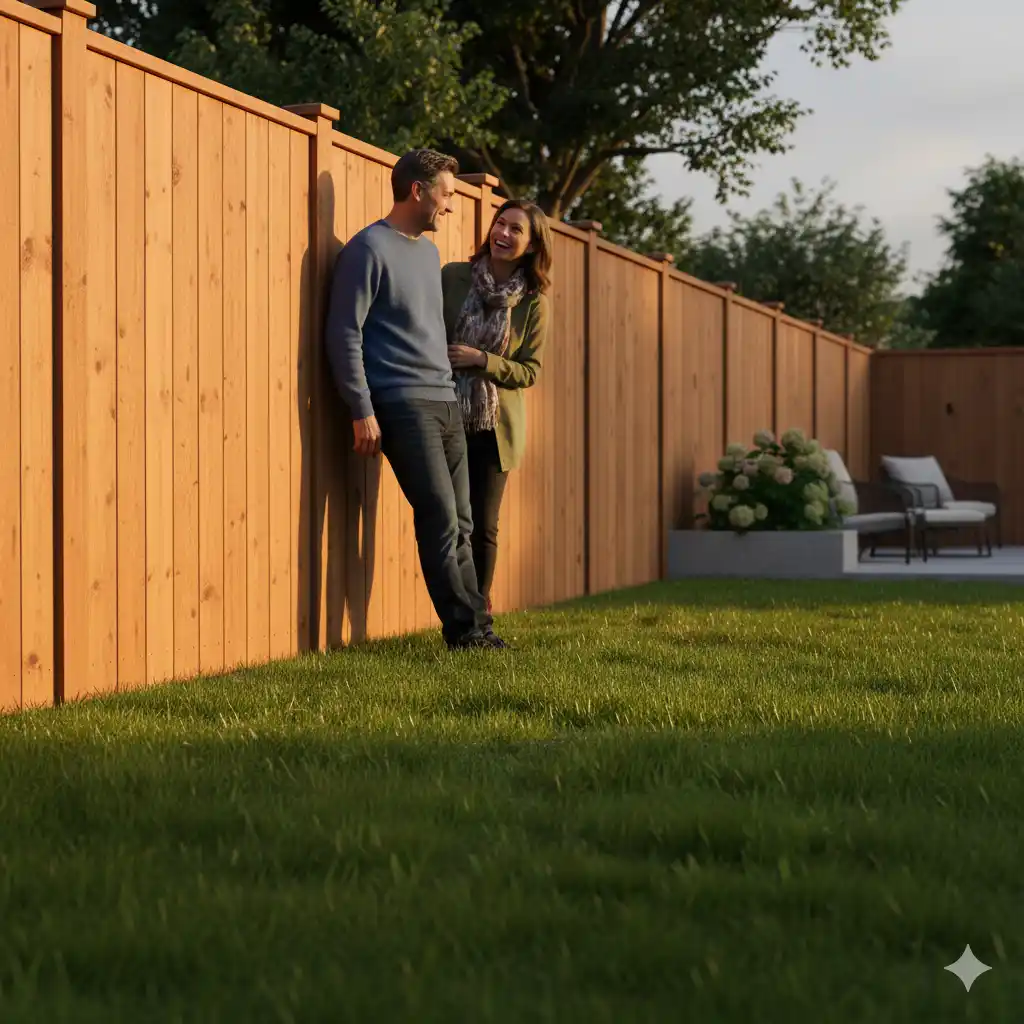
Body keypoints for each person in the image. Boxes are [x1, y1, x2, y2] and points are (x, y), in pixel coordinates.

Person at [324, 149, 504, 650]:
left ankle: (480, 628)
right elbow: (344, 334)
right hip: (402, 404)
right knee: (441, 520)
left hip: (447, 401)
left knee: (464, 521)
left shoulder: (427, 254)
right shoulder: (366, 250)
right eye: (447, 194)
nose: (450, 206)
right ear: (418, 191)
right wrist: (362, 408)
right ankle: (466, 635)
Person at [441, 199, 553, 612]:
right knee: (450, 522)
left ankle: (478, 610)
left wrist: (481, 360)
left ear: (531, 244)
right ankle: (454, 609)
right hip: (446, 413)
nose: (503, 234)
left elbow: (530, 371)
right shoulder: (453, 277)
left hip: (495, 426)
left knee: (482, 527)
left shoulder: (534, 302)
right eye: (499, 224)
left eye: (515, 230)